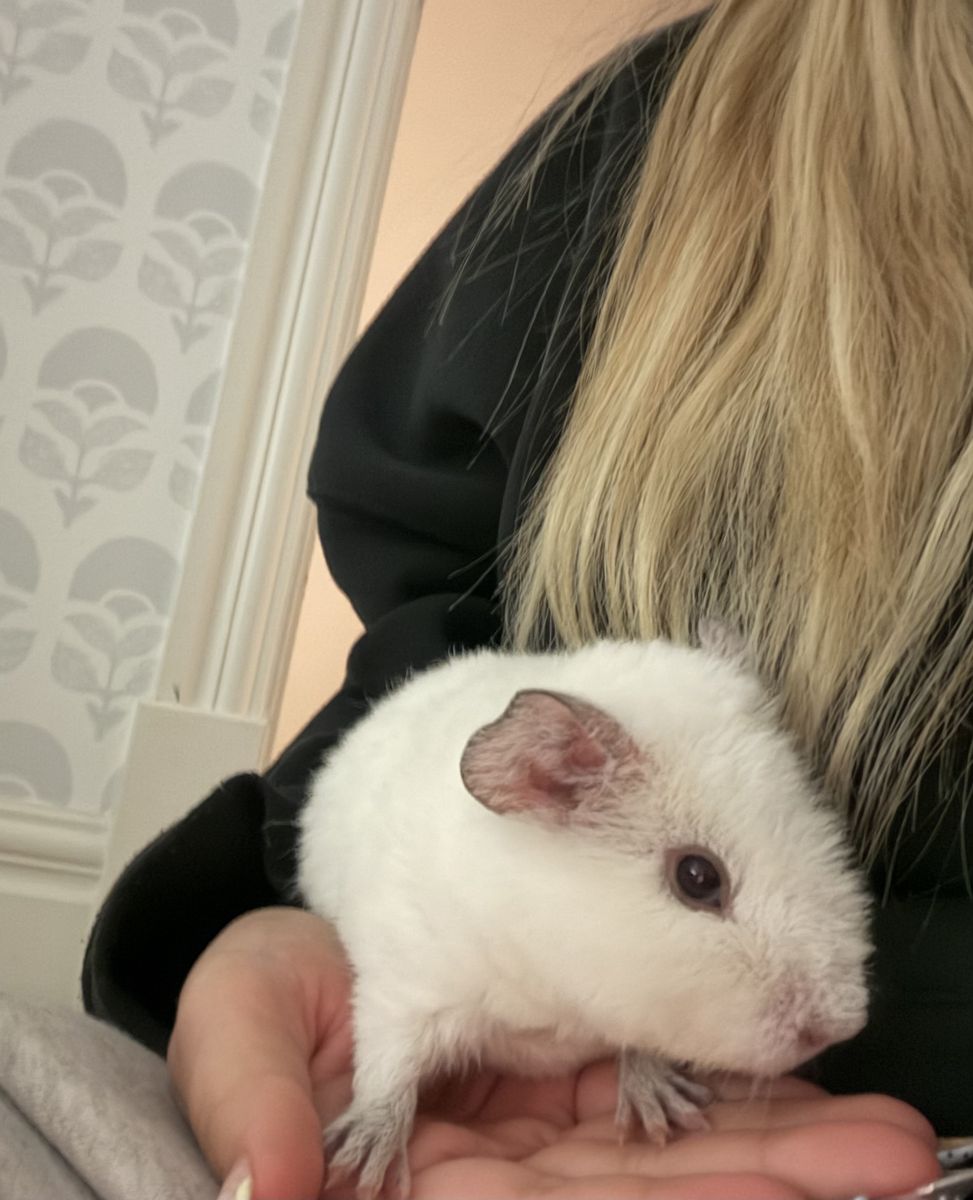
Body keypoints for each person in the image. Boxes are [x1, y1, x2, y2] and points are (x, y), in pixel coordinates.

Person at [69, 1, 973, 1197]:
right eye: (696, 882)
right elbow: (434, 600)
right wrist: (277, 937)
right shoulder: (655, 132)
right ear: (537, 780)